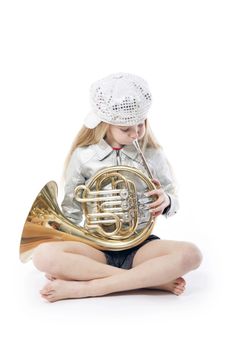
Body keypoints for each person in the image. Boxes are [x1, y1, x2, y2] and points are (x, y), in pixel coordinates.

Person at [32, 72, 203, 302]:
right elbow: (71, 211)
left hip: (140, 246)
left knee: (192, 254)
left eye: (141, 125)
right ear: (104, 124)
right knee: (42, 256)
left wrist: (166, 201)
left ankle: (87, 288)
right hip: (97, 247)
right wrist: (65, 249)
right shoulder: (83, 156)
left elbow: (172, 196)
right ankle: (151, 280)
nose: (135, 134)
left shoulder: (153, 154)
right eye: (125, 129)